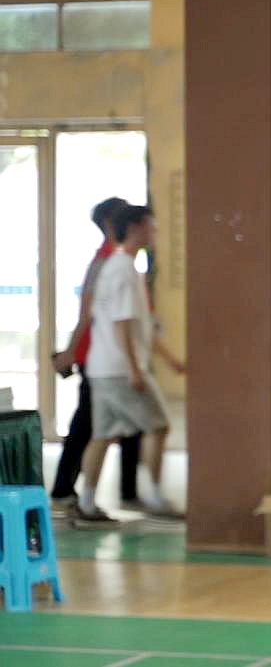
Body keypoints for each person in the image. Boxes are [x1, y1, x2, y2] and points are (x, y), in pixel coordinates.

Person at [77, 205, 186, 524]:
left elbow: (141, 326)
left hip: (103, 368)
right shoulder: (123, 270)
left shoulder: (121, 267)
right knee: (158, 425)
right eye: (152, 225)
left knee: (102, 434)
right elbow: (121, 323)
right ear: (136, 227)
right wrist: (134, 369)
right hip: (119, 370)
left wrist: (169, 360)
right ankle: (153, 497)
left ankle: (86, 502)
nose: (155, 232)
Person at [50, 196, 143, 516]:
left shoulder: (120, 260)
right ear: (109, 223)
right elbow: (86, 314)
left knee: (128, 424)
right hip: (98, 357)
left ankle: (128, 491)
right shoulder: (105, 261)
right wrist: (71, 351)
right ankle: (64, 489)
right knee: (87, 426)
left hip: (110, 357)